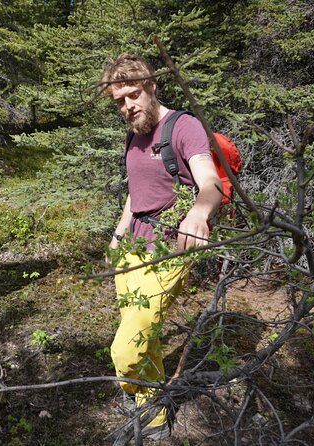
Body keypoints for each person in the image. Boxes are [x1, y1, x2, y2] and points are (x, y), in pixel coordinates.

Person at [101, 54, 223, 439]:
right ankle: (147, 406)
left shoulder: (183, 127)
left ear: (151, 86)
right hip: (131, 248)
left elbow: (210, 183)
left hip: (169, 248)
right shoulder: (134, 133)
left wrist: (199, 213)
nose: (128, 107)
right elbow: (134, 192)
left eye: (133, 95)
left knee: (126, 346)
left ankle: (141, 400)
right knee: (144, 333)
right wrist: (119, 233)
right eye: (119, 101)